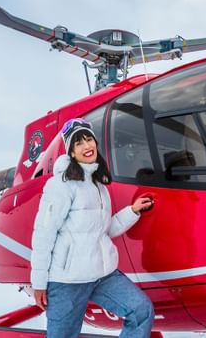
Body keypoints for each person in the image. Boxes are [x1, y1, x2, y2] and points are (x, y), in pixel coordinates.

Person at [30, 117, 155, 338]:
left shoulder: (98, 185)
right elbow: (44, 234)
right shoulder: (61, 185)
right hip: (67, 282)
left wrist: (132, 211)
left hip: (101, 275)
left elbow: (105, 230)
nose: (86, 146)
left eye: (89, 140)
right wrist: (39, 283)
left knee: (141, 310)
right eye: (78, 143)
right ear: (71, 152)